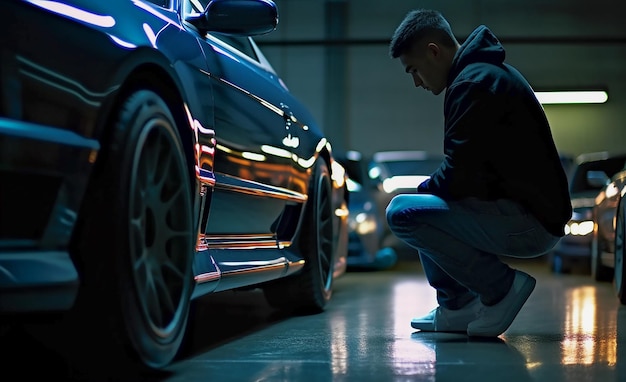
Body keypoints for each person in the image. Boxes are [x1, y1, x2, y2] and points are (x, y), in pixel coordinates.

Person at [385, 9, 572, 337]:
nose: (416, 82)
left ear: (433, 51)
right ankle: (457, 306)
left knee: (404, 212)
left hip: (530, 223)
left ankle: (502, 289)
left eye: (414, 70)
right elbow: (468, 173)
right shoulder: (476, 77)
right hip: (521, 212)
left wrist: (428, 188)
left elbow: (461, 175)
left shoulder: (475, 83)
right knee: (423, 202)